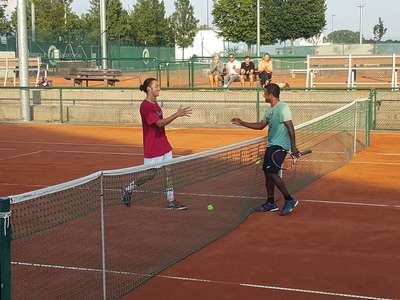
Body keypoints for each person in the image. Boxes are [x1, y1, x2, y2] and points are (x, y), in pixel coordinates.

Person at [122, 78, 192, 210]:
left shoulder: (155, 104)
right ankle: (128, 189)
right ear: (149, 88)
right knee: (150, 174)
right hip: (153, 146)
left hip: (164, 144)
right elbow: (159, 123)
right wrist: (177, 114)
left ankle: (171, 201)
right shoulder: (146, 106)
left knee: (169, 171)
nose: (159, 88)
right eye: (156, 86)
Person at [231, 83, 299, 216]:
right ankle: (270, 202)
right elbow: (261, 125)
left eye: (265, 92)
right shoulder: (269, 111)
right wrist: (242, 122)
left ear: (271, 94)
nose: (263, 95)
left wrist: (293, 146)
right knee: (267, 174)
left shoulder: (283, 107)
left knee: (272, 173)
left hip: (279, 147)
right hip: (271, 145)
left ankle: (289, 200)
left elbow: (290, 126)